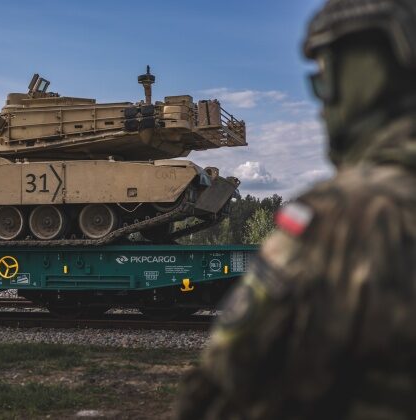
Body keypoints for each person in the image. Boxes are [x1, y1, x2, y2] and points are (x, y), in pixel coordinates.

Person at [175, 0, 416, 418]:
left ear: (361, 81)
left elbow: (224, 389)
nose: (321, 106)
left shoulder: (342, 218)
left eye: (324, 83)